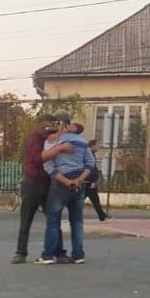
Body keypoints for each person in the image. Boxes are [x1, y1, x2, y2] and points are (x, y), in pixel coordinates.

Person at [12, 113, 74, 264]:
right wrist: (59, 148)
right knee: (26, 218)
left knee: (53, 218)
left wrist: (61, 133)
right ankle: (21, 252)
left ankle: (59, 252)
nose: (49, 128)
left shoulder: (56, 136)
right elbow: (38, 158)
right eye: (47, 125)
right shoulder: (34, 137)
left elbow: (77, 129)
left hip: (48, 182)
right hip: (32, 182)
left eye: (52, 124)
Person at [37, 114, 94, 265]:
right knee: (76, 221)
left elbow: (48, 165)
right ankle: (78, 254)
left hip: (60, 182)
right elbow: (90, 163)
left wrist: (66, 181)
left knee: (53, 220)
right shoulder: (82, 141)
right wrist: (79, 180)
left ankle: (48, 255)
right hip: (79, 183)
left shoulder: (53, 141)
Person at [84, 139, 110, 221]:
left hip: (89, 182)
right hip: (87, 182)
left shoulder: (91, 154)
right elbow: (90, 169)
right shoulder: (89, 155)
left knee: (95, 200)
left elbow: (93, 168)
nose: (98, 147)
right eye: (97, 145)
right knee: (81, 201)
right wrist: (92, 181)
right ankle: (102, 216)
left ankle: (102, 216)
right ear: (92, 146)